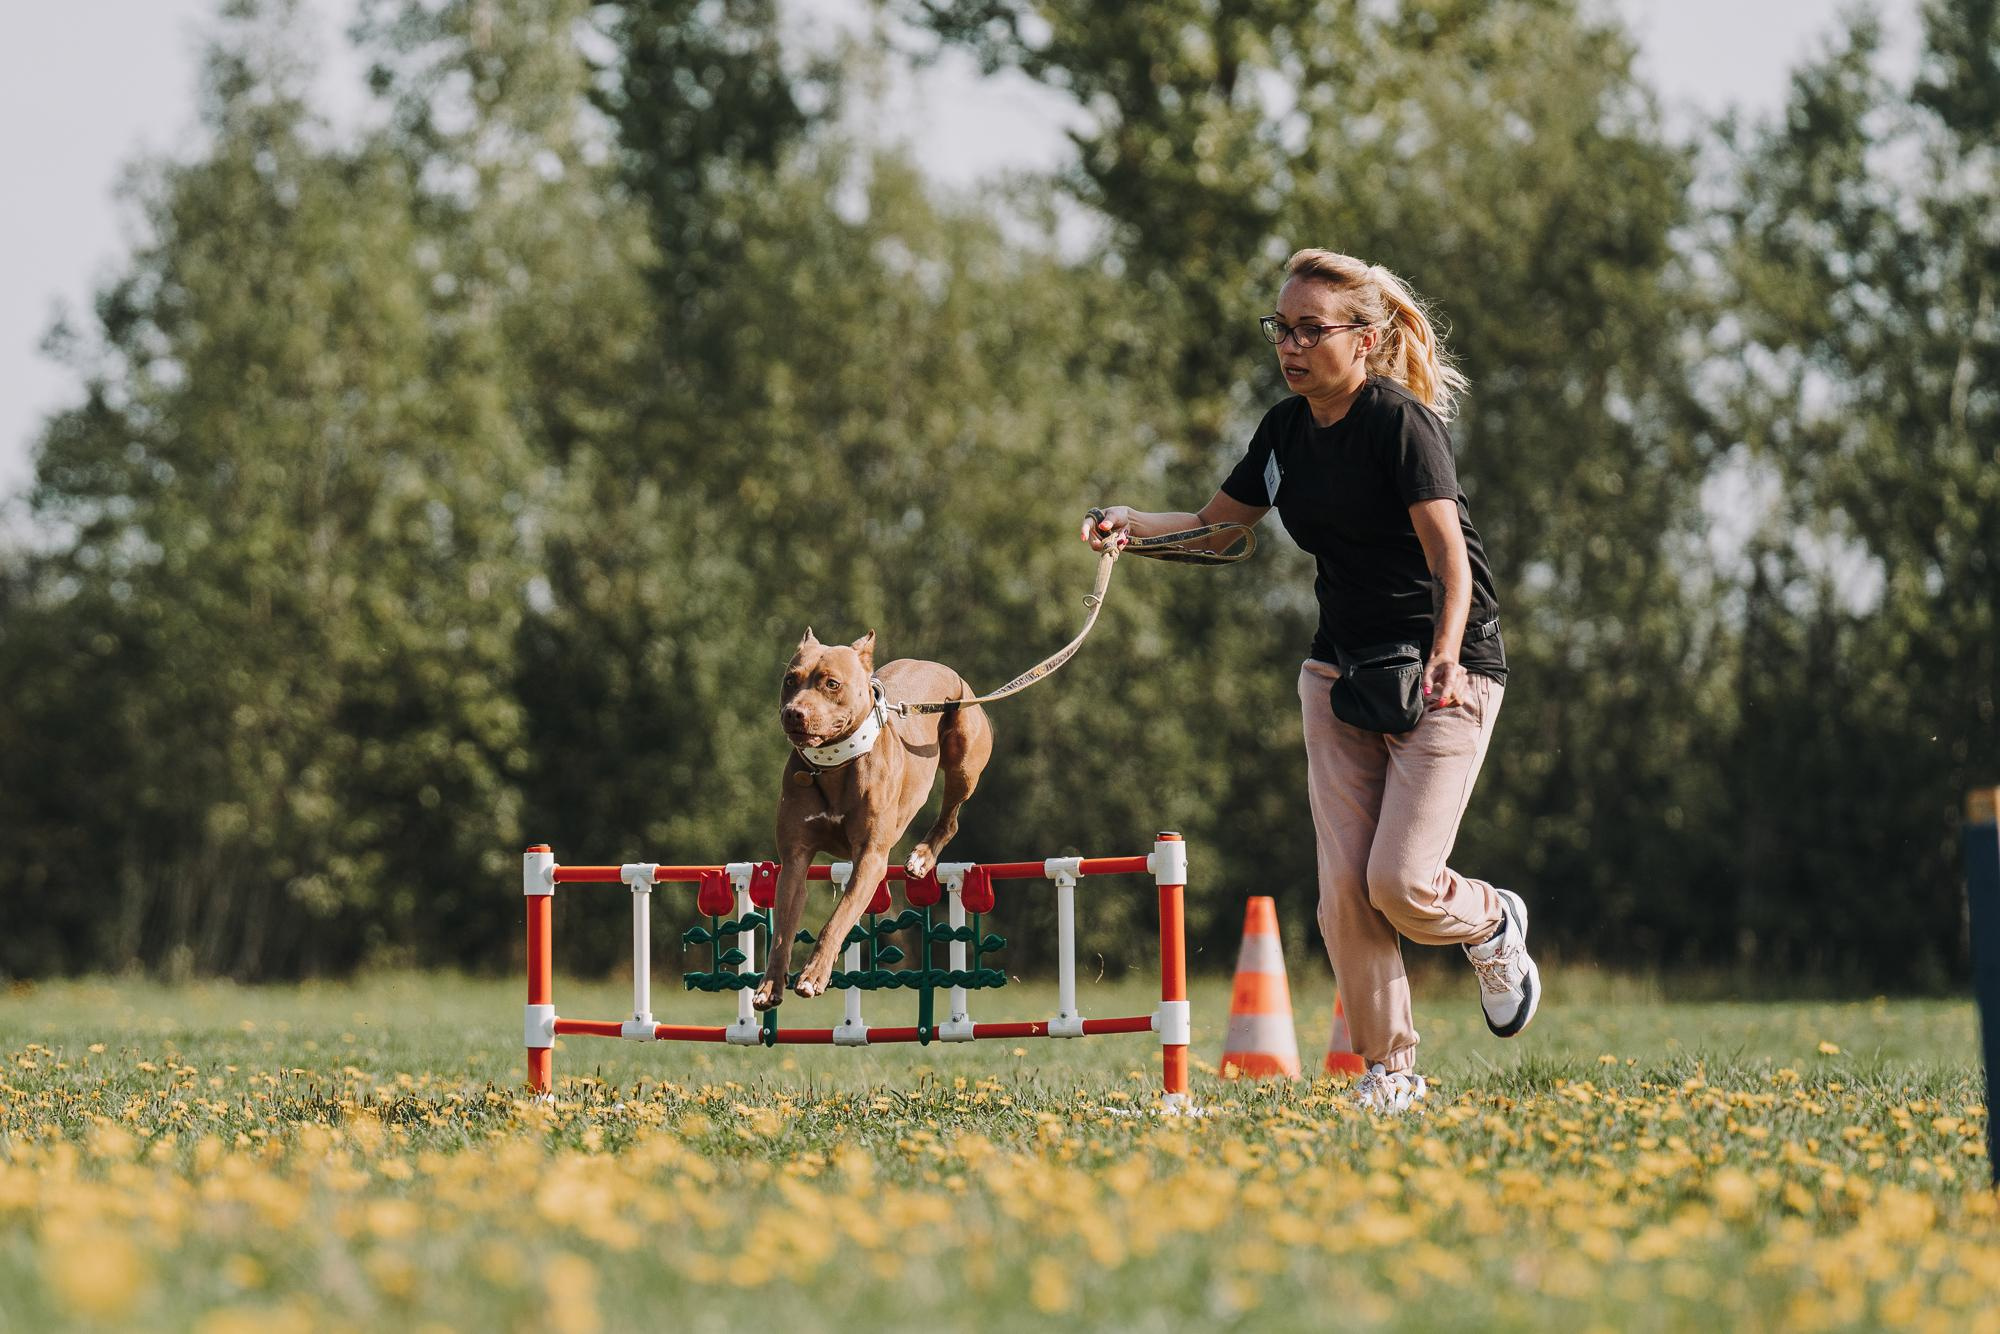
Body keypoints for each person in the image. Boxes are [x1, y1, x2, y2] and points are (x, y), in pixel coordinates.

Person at [1082, 249, 1538, 1114]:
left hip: (1448, 673)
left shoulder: (1400, 425)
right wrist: (1130, 527)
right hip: (1339, 674)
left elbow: (1453, 563)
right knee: (1342, 895)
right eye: (1281, 329)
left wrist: (1445, 650)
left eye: (1309, 330)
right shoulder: (1285, 432)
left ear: (1364, 342)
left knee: (1399, 882)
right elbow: (1220, 529)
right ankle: (1391, 1071)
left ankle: (1488, 921)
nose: (1290, 346)